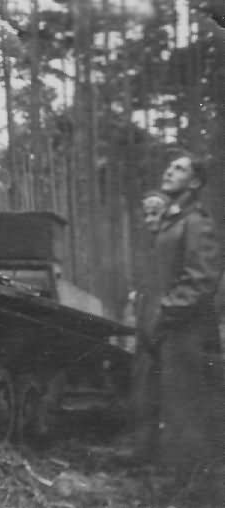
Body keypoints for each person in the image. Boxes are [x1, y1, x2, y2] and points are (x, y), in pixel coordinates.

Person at [147, 151, 224, 490]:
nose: (169, 169)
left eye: (179, 168)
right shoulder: (173, 219)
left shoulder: (197, 221)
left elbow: (202, 278)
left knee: (189, 410)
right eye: (170, 164)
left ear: (194, 182)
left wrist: (166, 311)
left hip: (188, 330)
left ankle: (196, 491)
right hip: (172, 330)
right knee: (174, 409)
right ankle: (180, 485)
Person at [130, 190, 170, 461]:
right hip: (147, 333)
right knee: (144, 393)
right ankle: (145, 454)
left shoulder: (177, 245)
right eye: (146, 214)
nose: (148, 220)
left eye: (154, 213)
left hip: (169, 331)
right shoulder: (148, 248)